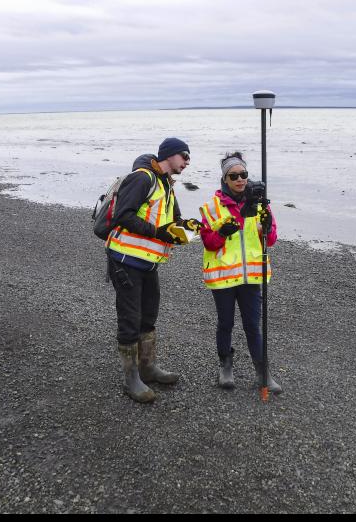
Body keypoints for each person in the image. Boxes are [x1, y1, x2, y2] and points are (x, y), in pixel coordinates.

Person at [105, 137, 201, 403]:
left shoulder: (166, 184)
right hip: (126, 260)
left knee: (148, 316)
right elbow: (123, 215)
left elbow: (172, 222)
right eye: (184, 156)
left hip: (149, 263)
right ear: (168, 155)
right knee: (130, 319)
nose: (188, 162)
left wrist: (190, 227)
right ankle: (131, 379)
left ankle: (147, 367)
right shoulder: (143, 179)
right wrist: (158, 232)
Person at [199, 151, 282, 393]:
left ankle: (262, 371)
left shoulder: (259, 204)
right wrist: (222, 232)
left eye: (243, 174)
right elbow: (209, 243)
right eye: (233, 175)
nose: (240, 179)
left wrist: (265, 227)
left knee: (253, 325)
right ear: (224, 179)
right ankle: (225, 366)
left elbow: (272, 239)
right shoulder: (212, 208)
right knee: (225, 323)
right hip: (223, 277)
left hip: (251, 276)